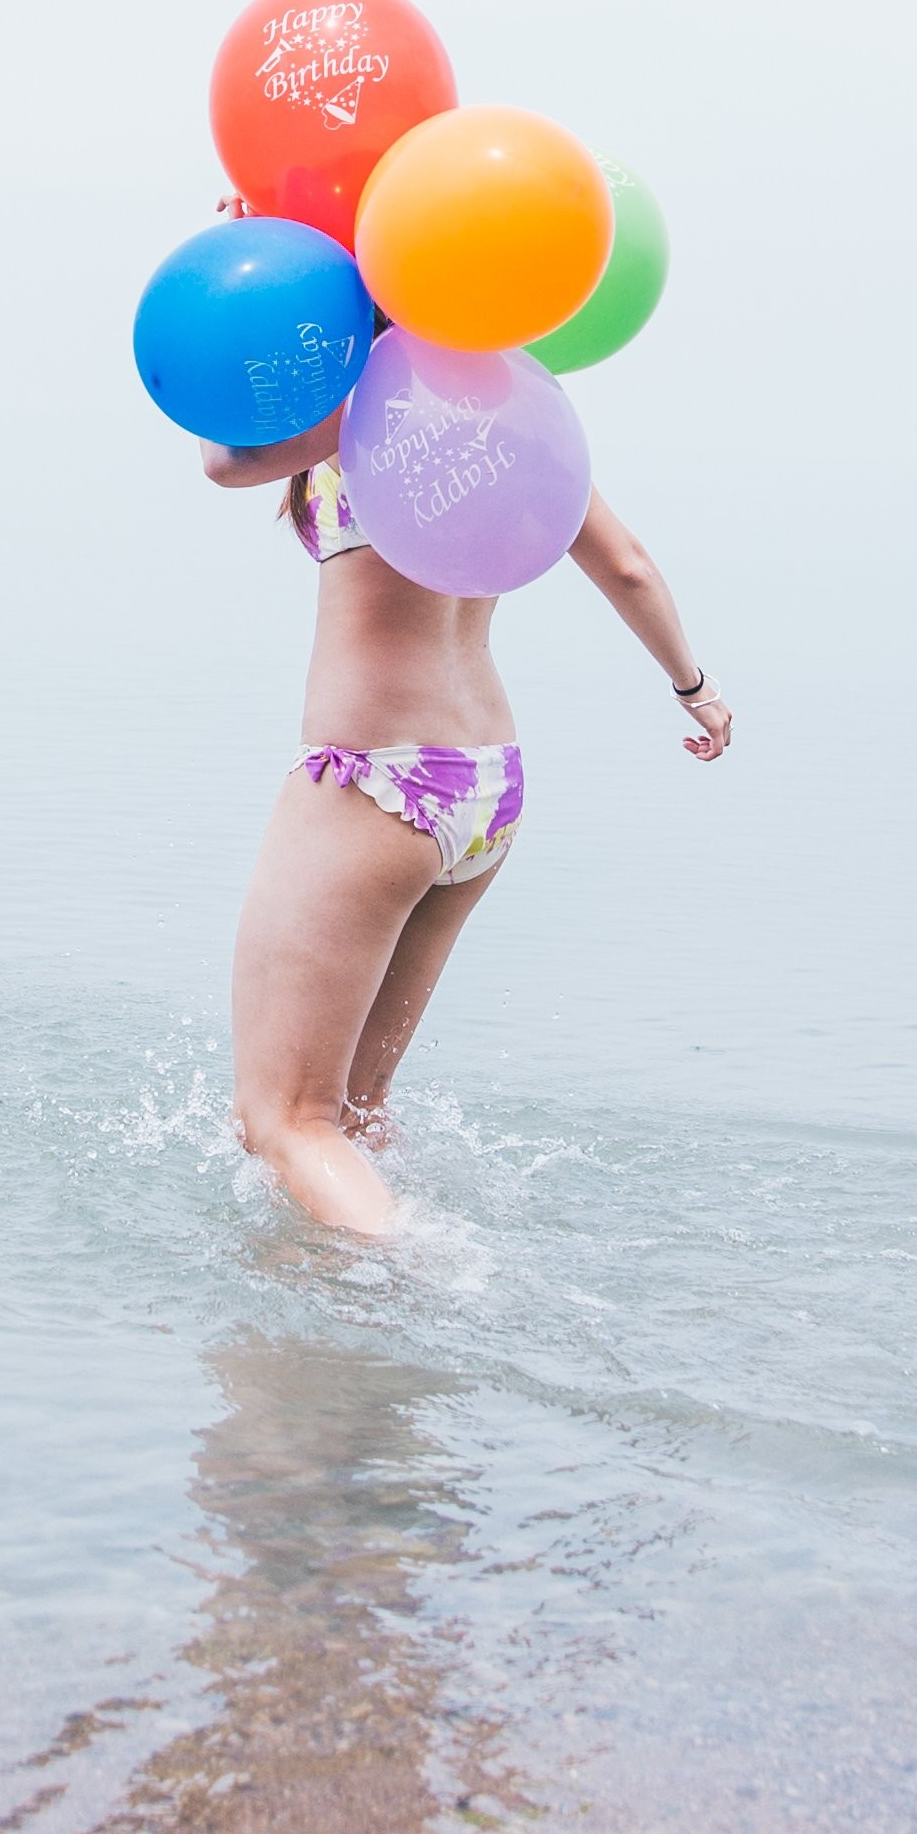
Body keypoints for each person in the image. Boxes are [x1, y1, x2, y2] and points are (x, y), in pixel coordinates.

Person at [198, 413, 731, 1233]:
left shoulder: (356, 411)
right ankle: (346, 1297)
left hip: (377, 778)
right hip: (486, 784)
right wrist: (695, 688)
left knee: (284, 1119)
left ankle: (422, 1266)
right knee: (356, 1108)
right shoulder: (510, 413)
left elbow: (224, 457)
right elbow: (627, 565)